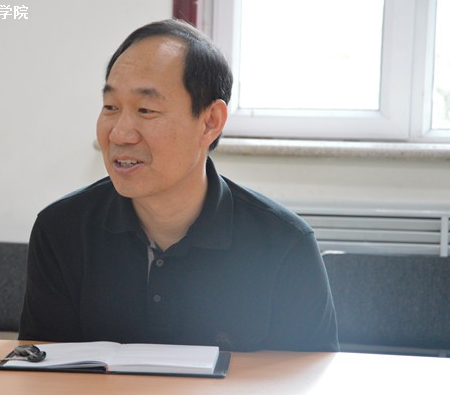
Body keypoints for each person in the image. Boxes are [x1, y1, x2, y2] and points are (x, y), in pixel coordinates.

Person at [19, 19, 339, 352]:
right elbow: (38, 365)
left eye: (146, 110)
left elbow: (310, 374)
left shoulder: (284, 244)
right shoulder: (61, 230)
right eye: (111, 107)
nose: (119, 134)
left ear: (210, 122)